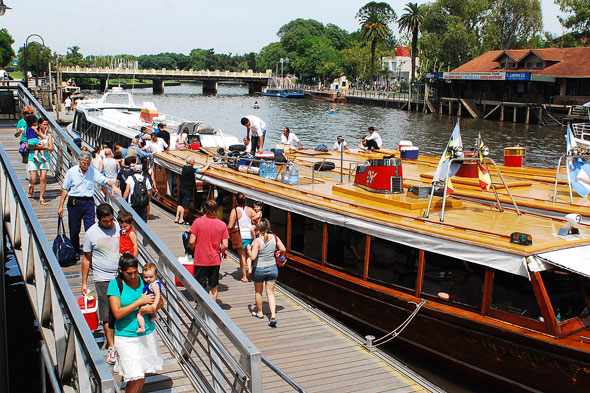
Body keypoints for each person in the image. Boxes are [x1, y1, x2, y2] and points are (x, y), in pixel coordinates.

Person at [108, 253, 163, 392]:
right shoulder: (115, 284)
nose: (133, 276)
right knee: (134, 377)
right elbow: (117, 313)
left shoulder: (145, 278)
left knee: (141, 374)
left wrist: (150, 307)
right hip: (126, 336)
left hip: (147, 333)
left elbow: (160, 301)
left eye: (135, 272)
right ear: (120, 270)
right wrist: (139, 302)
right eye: (129, 273)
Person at [57, 151, 122, 259]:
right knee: (74, 229)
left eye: (88, 164)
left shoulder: (92, 171)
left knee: (90, 228)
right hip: (74, 202)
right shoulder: (71, 172)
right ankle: (76, 249)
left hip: (88, 202)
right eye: (84, 163)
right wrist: (60, 206)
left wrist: (113, 186)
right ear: (79, 161)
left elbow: (104, 180)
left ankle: (91, 253)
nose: (86, 166)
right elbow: (65, 189)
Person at [81, 203, 121, 365]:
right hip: (102, 278)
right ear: (99, 219)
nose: (109, 224)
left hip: (121, 276)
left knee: (123, 310)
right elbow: (86, 259)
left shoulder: (118, 227)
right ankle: (111, 347)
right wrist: (84, 282)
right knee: (107, 314)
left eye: (111, 220)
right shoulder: (91, 233)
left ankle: (123, 342)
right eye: (106, 221)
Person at [246, 218, 286, 327]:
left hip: (259, 269)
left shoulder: (257, 241)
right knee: (271, 293)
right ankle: (273, 315)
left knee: (258, 292)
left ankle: (259, 313)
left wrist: (249, 250)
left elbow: (253, 257)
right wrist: (276, 252)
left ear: (258, 228)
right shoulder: (274, 237)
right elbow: (283, 249)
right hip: (272, 268)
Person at [188, 200, 229, 301]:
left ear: (204, 209)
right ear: (216, 210)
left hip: (201, 259)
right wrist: (221, 250)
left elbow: (191, 241)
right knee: (213, 287)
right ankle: (211, 312)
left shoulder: (197, 222)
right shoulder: (222, 225)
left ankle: (200, 310)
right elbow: (225, 245)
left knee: (200, 286)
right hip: (214, 260)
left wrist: (194, 249)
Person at [227, 192, 256, 283]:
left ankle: (244, 276)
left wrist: (225, 230)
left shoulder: (234, 211)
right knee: (248, 255)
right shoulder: (250, 210)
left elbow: (231, 225)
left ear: (236, 201)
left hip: (240, 236)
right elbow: (256, 219)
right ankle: (250, 269)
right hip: (250, 235)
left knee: (242, 257)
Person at [26, 117, 54, 204]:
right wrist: (37, 147)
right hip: (33, 157)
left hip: (44, 158)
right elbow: (27, 146)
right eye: (44, 124)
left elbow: (51, 148)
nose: (45, 126)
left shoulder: (48, 135)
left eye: (47, 124)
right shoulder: (34, 132)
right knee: (33, 178)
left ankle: (41, 196)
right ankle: (31, 186)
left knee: (43, 177)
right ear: (39, 124)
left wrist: (44, 147)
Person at [175, 157, 210, 224]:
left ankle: (177, 217)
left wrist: (201, 166)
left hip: (182, 187)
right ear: (190, 162)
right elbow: (202, 171)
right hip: (187, 189)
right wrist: (208, 165)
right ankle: (181, 219)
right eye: (193, 161)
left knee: (180, 203)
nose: (194, 162)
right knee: (183, 205)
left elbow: (194, 168)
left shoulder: (185, 167)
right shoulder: (191, 169)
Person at [135, 262, 161, 334]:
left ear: (156, 275)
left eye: (151, 277)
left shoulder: (153, 285)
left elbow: (158, 295)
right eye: (145, 277)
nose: (148, 279)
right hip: (150, 301)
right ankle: (154, 315)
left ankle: (142, 327)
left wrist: (155, 304)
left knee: (139, 313)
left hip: (150, 302)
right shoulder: (152, 283)